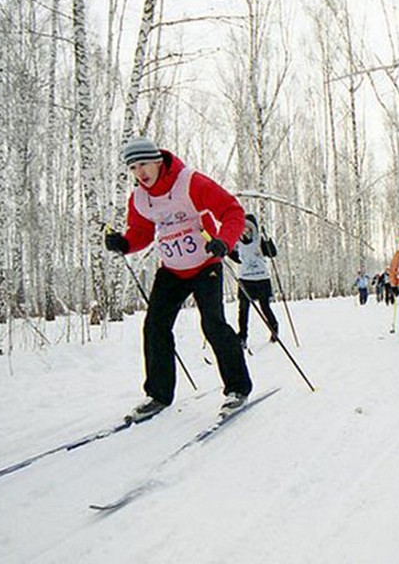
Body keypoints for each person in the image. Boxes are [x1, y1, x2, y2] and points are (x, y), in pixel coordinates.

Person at [104, 137, 252, 421]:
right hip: (172, 268)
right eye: (133, 168)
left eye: (144, 164)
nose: (140, 173)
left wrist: (224, 240)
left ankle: (237, 388)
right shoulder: (140, 198)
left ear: (158, 160)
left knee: (213, 324)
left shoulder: (190, 182)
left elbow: (232, 210)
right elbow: (142, 232)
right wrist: (123, 244)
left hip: (206, 262)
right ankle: (158, 395)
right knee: (155, 327)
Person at [228, 213, 280, 348]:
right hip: (245, 280)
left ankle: (274, 329)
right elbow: (236, 257)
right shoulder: (238, 243)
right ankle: (242, 336)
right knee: (243, 309)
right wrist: (225, 250)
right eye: (243, 228)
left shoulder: (260, 240)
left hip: (262, 279)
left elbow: (272, 253)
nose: (245, 231)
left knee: (265, 307)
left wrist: (268, 240)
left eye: (248, 228)